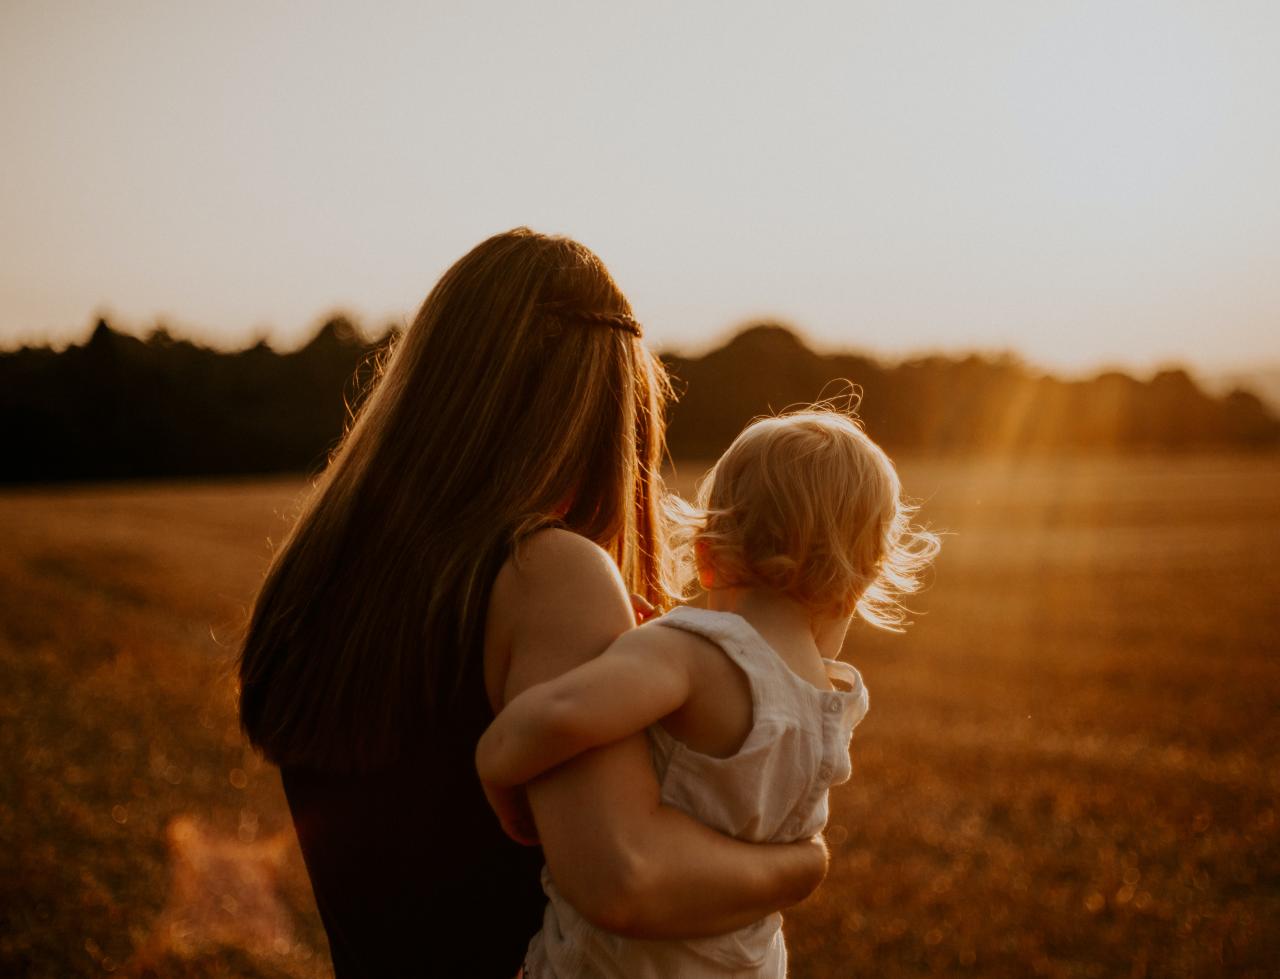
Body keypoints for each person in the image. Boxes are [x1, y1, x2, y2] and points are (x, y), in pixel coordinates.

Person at [236, 228, 829, 978]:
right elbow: (626, 877)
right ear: (608, 414)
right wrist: (800, 865)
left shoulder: (319, 575)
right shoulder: (547, 574)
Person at [477, 407, 941, 977]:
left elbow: (565, 712)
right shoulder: (831, 706)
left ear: (707, 556)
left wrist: (495, 764)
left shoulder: (690, 654)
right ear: (855, 589)